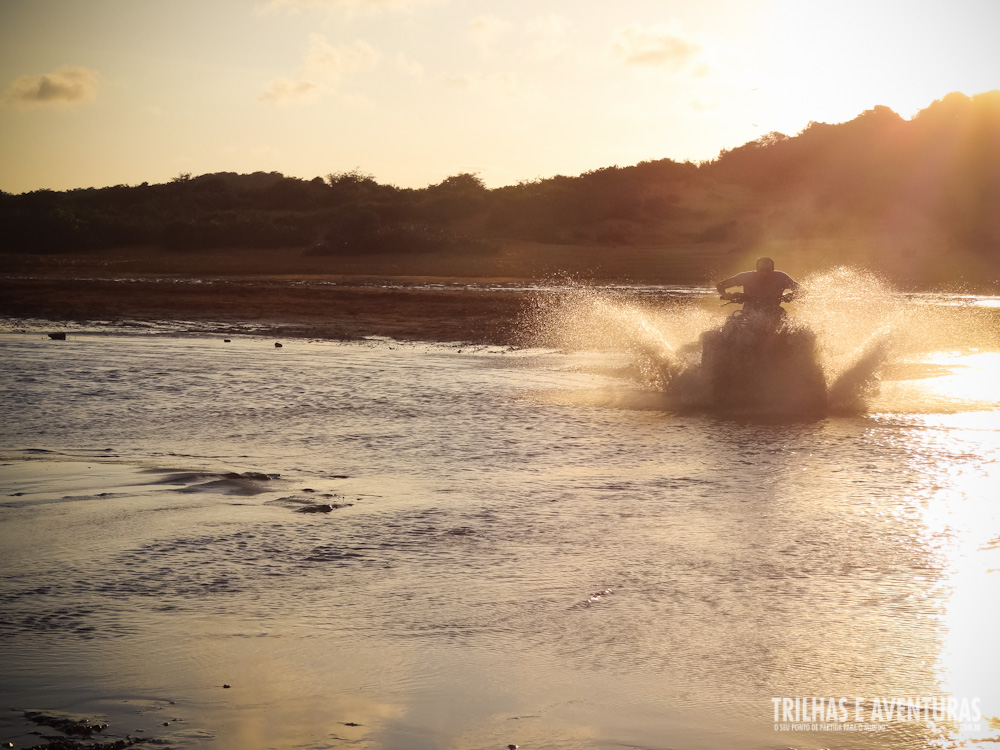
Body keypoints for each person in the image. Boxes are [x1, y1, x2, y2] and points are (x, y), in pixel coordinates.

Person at [716, 257, 799, 315]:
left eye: (768, 270)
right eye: (761, 270)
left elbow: (802, 291)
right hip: (749, 315)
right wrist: (727, 296)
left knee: (782, 313)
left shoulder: (781, 278)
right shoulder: (746, 277)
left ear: (773, 269)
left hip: (774, 314)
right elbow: (720, 285)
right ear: (756, 269)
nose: (765, 274)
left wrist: (789, 297)